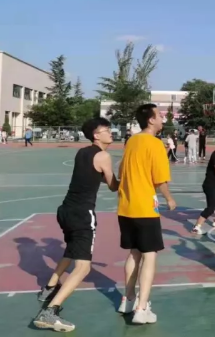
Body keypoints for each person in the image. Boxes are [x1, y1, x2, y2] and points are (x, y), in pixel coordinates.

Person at [33, 118, 119, 332]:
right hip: (82, 214)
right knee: (83, 267)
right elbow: (113, 186)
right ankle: (50, 312)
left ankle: (49, 288)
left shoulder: (82, 152)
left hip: (66, 210)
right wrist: (129, 173)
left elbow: (92, 175)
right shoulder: (104, 156)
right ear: (96, 135)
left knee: (71, 250)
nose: (111, 132)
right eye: (107, 130)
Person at [116, 103, 177, 325]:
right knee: (149, 255)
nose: (162, 119)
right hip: (145, 208)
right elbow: (159, 179)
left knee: (134, 253)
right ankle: (142, 308)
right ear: (151, 120)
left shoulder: (132, 141)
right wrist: (169, 198)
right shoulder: (155, 143)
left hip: (126, 207)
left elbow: (121, 171)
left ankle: (128, 299)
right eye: (159, 115)